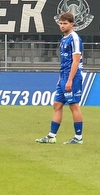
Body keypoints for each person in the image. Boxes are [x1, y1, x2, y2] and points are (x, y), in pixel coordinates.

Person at [36, 12, 84, 145]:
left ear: (72, 24)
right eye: (61, 23)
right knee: (57, 104)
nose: (62, 26)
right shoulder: (64, 39)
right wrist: (61, 78)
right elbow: (64, 61)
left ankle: (78, 137)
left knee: (73, 105)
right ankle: (51, 136)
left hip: (72, 77)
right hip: (63, 76)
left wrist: (69, 79)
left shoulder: (74, 38)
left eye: (65, 23)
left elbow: (76, 61)